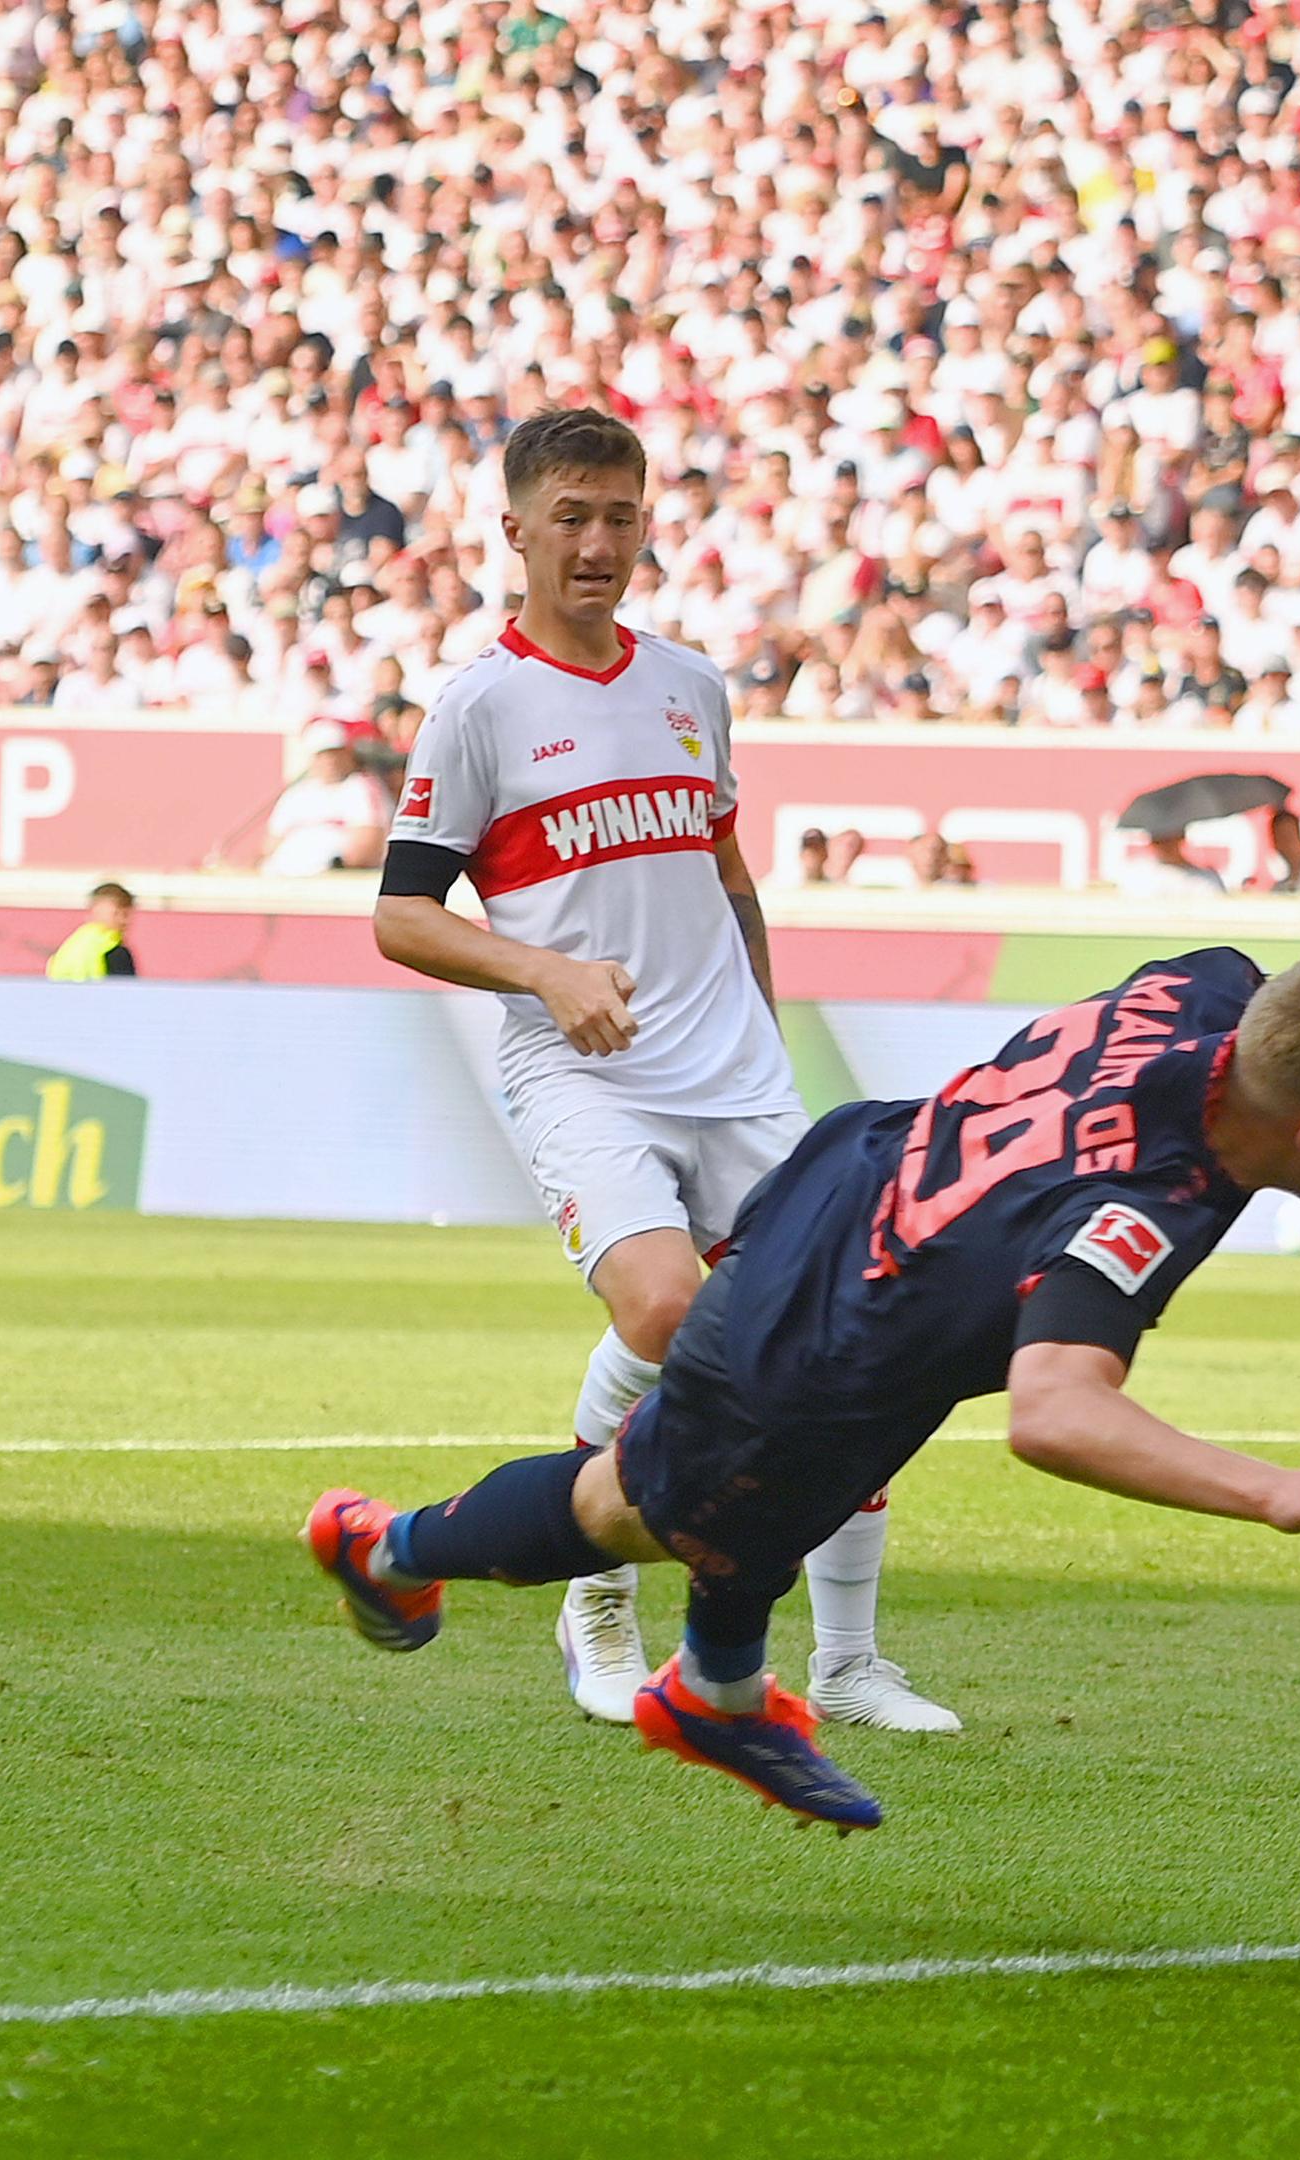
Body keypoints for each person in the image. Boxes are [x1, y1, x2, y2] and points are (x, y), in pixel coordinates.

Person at [311, 949, 1300, 1825]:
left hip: (875, 1175)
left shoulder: (1214, 996)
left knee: (787, 1490)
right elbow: (1058, 1414)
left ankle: (715, 1690)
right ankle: (389, 1545)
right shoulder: (1137, 1210)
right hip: (832, 1316)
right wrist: (1268, 1492)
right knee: (635, 1506)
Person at [374, 407, 952, 1736]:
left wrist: (761, 1028)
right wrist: (547, 973)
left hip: (736, 1073)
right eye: (569, 518)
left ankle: (854, 1658)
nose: (596, 543)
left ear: (647, 524)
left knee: (853, 1339)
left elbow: (731, 882)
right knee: (662, 1316)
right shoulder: (481, 708)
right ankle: (597, 1601)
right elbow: (401, 915)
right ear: (514, 530)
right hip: (587, 1074)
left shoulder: (691, 687)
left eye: (618, 517)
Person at [262, 720, 392, 875]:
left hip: (333, 876)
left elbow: (367, 846)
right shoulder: (296, 794)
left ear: (347, 754)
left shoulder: (361, 787)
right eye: (322, 755)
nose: (330, 761)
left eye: (335, 753)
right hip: (285, 874)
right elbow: (270, 844)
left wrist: (337, 868)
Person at [45, 882, 139, 980]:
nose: (126, 921)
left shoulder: (67, 949)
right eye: (121, 914)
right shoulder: (115, 951)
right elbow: (125, 992)